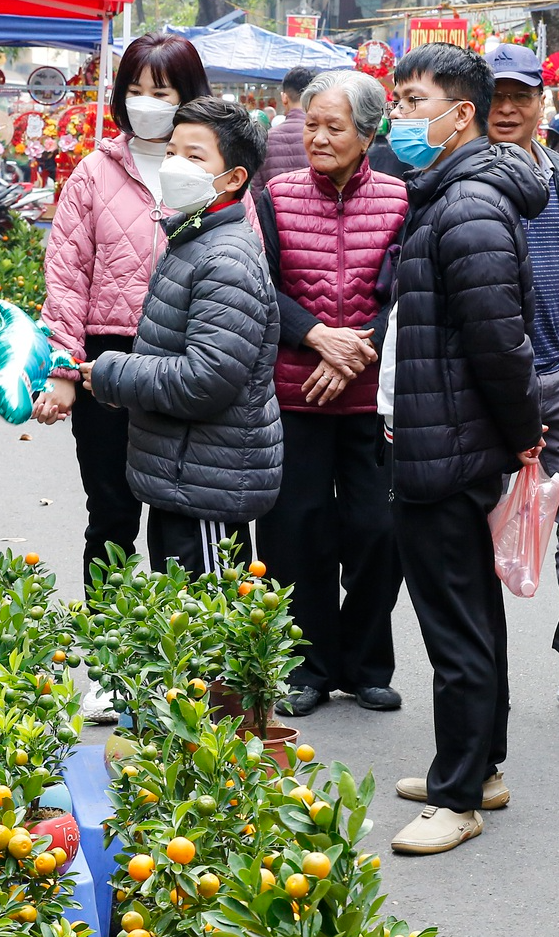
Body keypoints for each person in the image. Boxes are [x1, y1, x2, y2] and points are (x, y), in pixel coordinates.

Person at [381, 42, 546, 855]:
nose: (400, 117)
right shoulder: (448, 194)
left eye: (414, 101)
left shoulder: (467, 206)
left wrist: (524, 439)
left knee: (456, 628)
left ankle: (458, 795)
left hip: (450, 448)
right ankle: (477, 767)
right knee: (471, 617)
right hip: (447, 437)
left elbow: (500, 345)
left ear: (461, 117)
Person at [34, 34, 213, 588]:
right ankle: (111, 657)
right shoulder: (94, 173)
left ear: (188, 95)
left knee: (180, 515)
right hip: (104, 363)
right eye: (134, 90)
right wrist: (63, 371)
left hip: (186, 359)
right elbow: (66, 277)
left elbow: (242, 265)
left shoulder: (216, 168)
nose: (146, 103)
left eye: (160, 92)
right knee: (110, 513)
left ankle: (179, 661)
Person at [255, 70, 408, 718]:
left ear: (368, 134)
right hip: (297, 394)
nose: (316, 136)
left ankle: (366, 663)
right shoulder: (276, 195)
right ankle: (308, 666)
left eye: (333, 126)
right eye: (310, 123)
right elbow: (261, 285)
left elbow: (405, 292)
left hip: (373, 398)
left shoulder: (403, 198)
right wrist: (318, 335)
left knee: (379, 531)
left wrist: (354, 350)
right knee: (297, 532)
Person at [80, 96, 281, 576]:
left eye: (194, 156)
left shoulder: (225, 257)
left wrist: (111, 371)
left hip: (205, 483)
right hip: (183, 472)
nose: (174, 165)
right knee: (180, 630)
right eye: (172, 151)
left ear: (233, 179)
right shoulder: (192, 238)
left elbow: (204, 379)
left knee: (202, 631)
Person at [480, 47, 559, 666]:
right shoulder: (463, 178)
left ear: (541, 104)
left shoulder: (556, 177)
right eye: (496, 96)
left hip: (555, 378)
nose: (507, 109)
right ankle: (485, 686)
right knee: (473, 532)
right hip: (486, 383)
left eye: (520, 97)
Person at [251, 66, 320, 200]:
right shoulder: (321, 138)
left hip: (274, 218)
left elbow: (256, 192)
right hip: (315, 218)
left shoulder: (265, 139)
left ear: (284, 98)